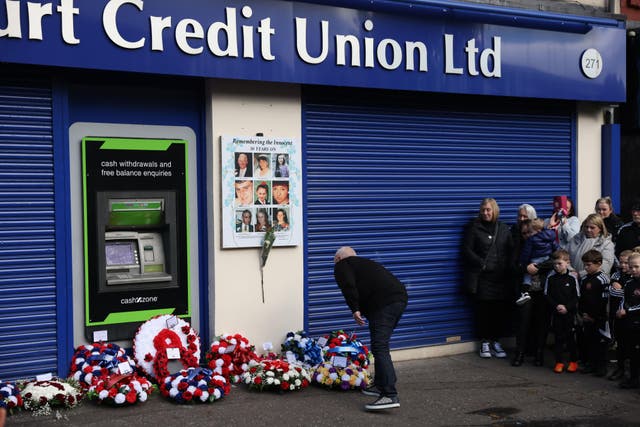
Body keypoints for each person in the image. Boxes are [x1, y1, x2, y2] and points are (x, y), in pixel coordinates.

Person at [333, 246, 408, 410]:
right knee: (380, 345)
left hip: (384, 304)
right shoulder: (364, 264)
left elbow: (348, 285)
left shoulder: (342, 265)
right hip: (397, 300)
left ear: (339, 258)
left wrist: (355, 309)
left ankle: (389, 395)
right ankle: (380, 385)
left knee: (380, 346)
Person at [463, 198, 514, 359]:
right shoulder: (474, 228)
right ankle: (484, 342)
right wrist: (481, 264)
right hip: (483, 278)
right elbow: (467, 250)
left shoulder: (504, 228)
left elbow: (511, 250)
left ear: (495, 211)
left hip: (501, 279)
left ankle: (496, 341)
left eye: (488, 210)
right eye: (483, 210)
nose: (485, 213)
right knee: (483, 311)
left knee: (498, 312)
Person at [544, 249, 580, 373]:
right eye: (555, 264)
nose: (557, 266)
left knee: (570, 338)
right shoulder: (551, 278)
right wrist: (557, 306)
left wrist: (567, 307)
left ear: (567, 262)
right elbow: (547, 295)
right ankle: (559, 362)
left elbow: (576, 296)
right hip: (556, 313)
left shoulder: (572, 278)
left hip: (569, 313)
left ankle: (573, 361)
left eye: (559, 263)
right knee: (558, 338)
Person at [577, 249, 610, 377]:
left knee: (600, 342)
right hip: (586, 316)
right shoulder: (585, 278)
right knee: (589, 340)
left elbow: (603, 301)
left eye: (589, 265)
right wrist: (583, 313)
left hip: (599, 318)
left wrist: (594, 316)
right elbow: (582, 298)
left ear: (599, 263)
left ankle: (601, 367)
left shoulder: (603, 279)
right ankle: (590, 364)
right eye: (584, 265)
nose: (586, 267)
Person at [517, 218, 559, 306]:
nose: (528, 235)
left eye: (530, 232)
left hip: (536, 261)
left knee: (527, 274)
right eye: (524, 233)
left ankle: (525, 291)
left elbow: (525, 254)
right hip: (546, 258)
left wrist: (523, 264)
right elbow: (557, 249)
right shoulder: (550, 237)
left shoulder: (531, 240)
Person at [616, 252, 640, 389]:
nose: (633, 270)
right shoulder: (630, 282)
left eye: (636, 267)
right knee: (632, 352)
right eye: (631, 267)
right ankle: (633, 378)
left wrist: (628, 311)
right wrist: (621, 309)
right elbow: (624, 299)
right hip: (630, 324)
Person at [608, 249, 633, 381]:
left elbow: (629, 295)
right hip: (616, 315)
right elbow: (612, 291)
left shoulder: (634, 278)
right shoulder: (616, 276)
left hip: (630, 315)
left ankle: (630, 371)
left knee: (630, 345)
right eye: (621, 262)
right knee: (620, 343)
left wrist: (623, 291)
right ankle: (620, 368)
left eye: (626, 263)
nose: (623, 265)